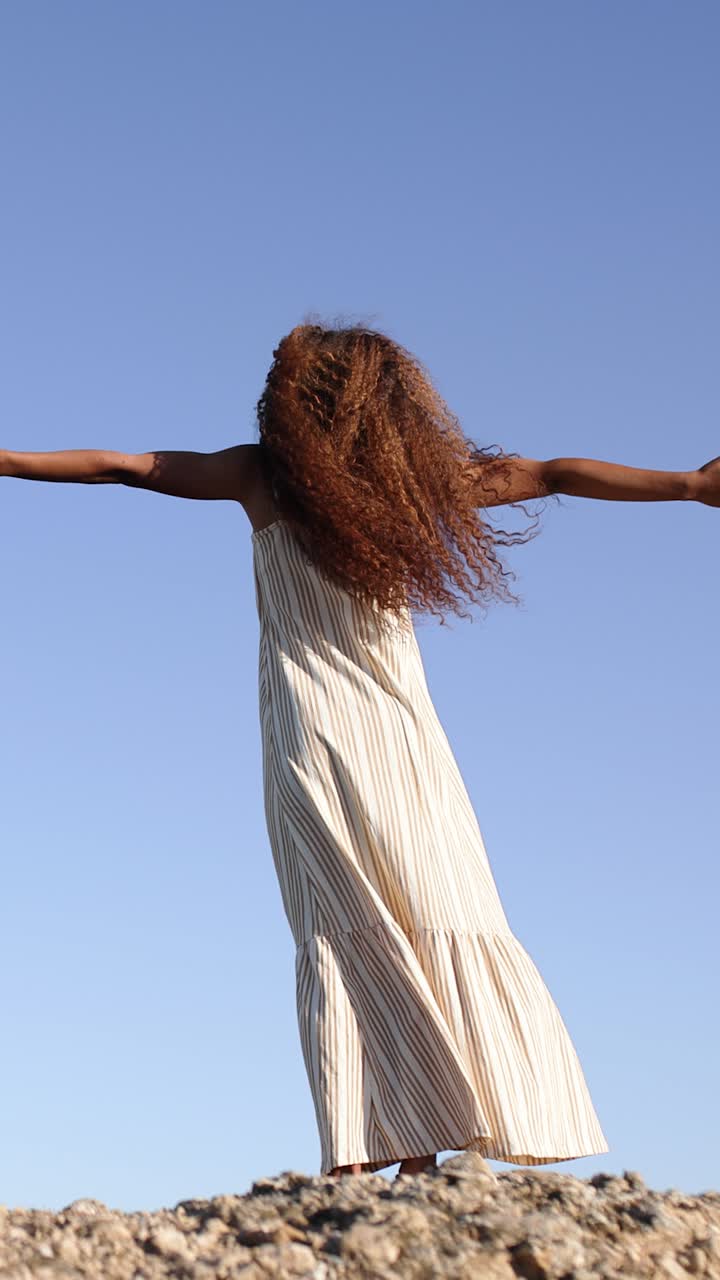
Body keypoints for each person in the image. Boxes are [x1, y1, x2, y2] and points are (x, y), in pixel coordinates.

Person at [3, 320, 718, 1183]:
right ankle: (414, 1140)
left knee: (347, 913)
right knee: (422, 900)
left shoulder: (261, 474)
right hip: (398, 736)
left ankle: (396, 1141)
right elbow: (555, 471)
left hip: (318, 731)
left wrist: (7, 460)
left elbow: (128, 466)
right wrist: (685, 483)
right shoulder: (399, 481)